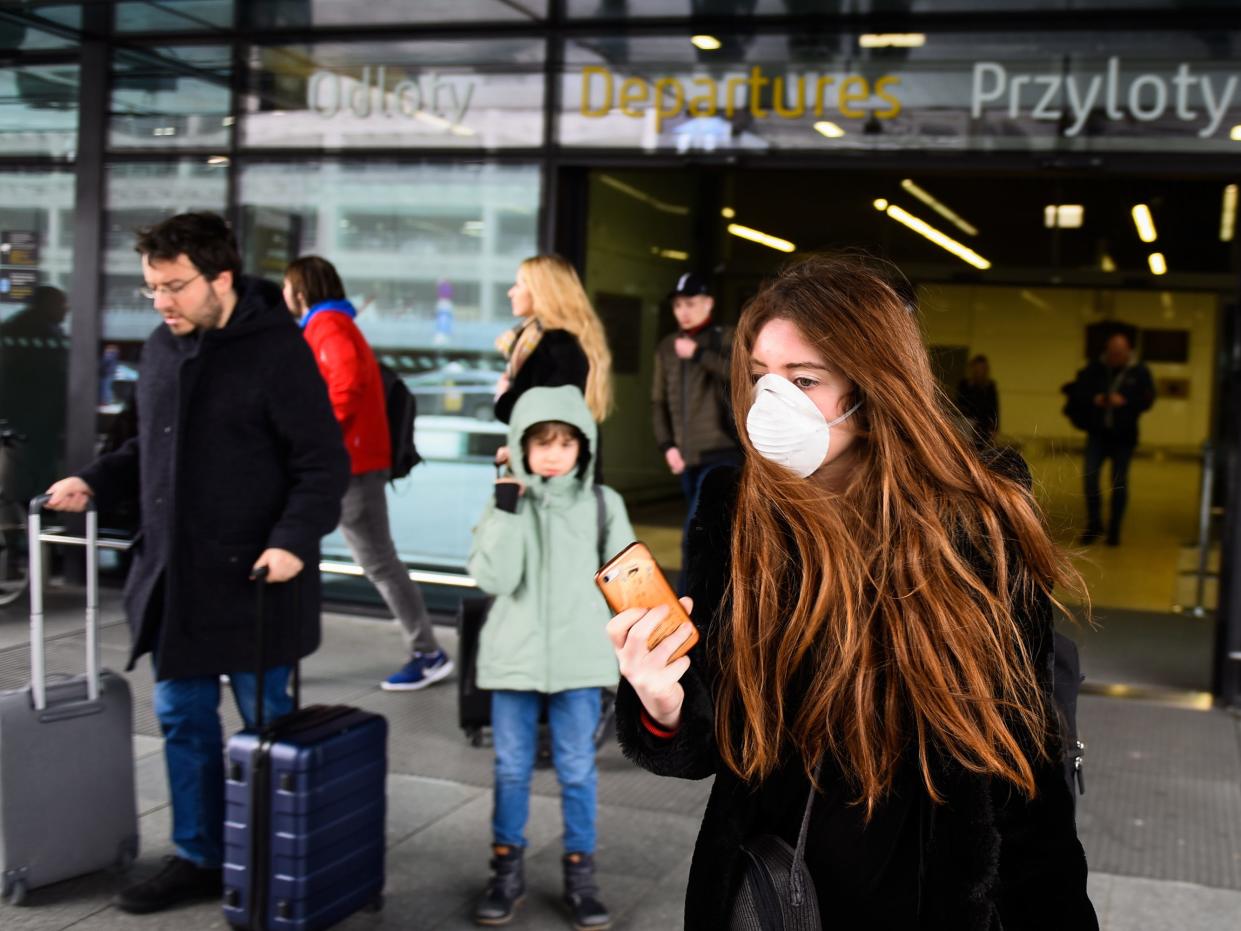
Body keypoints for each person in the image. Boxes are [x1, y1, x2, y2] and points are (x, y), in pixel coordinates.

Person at [606, 256, 1097, 930]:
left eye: (804, 379)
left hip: (925, 892)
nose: (770, 401)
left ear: (874, 391)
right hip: (775, 886)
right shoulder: (734, 511)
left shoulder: (976, 524)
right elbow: (715, 739)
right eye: (759, 377)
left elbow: (1024, 768)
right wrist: (661, 703)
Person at [44, 213, 349, 915]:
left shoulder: (279, 352)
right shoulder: (160, 346)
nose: (162, 302)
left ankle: (274, 854)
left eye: (175, 286)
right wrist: (94, 478)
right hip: (175, 581)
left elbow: (321, 463)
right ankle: (200, 854)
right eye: (152, 288)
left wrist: (292, 540)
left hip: (256, 582)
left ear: (220, 278)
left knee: (265, 724)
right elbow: (141, 447)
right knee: (181, 716)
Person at [467, 385, 634, 930]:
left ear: (582, 446)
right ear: (519, 445)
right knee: (511, 769)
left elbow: (630, 582)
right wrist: (507, 505)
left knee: (578, 771)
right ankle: (505, 870)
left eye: (566, 441)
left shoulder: (603, 504)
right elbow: (495, 577)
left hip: (580, 659)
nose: (555, 453)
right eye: (541, 442)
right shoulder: (504, 501)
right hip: (513, 657)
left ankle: (581, 875)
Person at [282, 255, 452, 691]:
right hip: (348, 464)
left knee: (376, 562)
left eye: (287, 286)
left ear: (300, 290)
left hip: (349, 466)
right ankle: (269, 655)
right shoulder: (331, 324)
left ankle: (427, 653)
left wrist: (316, 436)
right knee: (297, 551)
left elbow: (346, 385)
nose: (284, 295)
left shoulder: (328, 327)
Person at [651, 272, 740, 591]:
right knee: (708, 535)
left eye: (690, 303)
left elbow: (743, 377)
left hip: (722, 454)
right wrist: (667, 447)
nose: (683, 312)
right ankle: (715, 597)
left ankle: (687, 606)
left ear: (708, 303)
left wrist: (699, 355)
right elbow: (658, 402)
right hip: (686, 459)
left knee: (695, 533)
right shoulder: (666, 348)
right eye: (678, 305)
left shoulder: (727, 337)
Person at [493, 254, 612, 438]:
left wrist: (503, 396)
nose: (511, 292)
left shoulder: (557, 342)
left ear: (540, 290)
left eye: (518, 285)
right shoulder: (541, 337)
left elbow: (547, 412)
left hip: (553, 458)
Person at [1062, 330, 1155, 546]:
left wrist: (1125, 400)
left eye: (1120, 353)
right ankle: (1094, 524)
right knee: (1090, 480)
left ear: (1128, 352)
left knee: (1119, 483)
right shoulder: (1094, 369)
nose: (1115, 357)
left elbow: (1148, 399)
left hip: (1124, 437)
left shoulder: (1139, 372)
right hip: (1097, 434)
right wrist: (1097, 398)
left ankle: (1115, 529)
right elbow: (1077, 391)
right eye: (1112, 352)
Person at [955, 353, 1000, 446]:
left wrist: (995, 429)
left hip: (984, 428)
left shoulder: (990, 387)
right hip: (967, 426)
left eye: (982, 368)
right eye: (977, 368)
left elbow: (994, 408)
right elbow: (960, 405)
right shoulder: (964, 385)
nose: (980, 371)